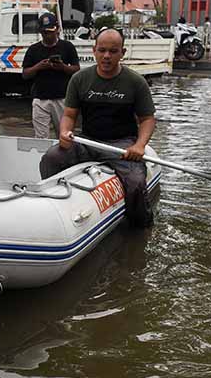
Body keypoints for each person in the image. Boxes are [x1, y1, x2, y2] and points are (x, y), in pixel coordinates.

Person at [39, 28, 156, 227]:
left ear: (122, 53)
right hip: (87, 140)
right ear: (94, 50)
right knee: (51, 158)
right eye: (102, 50)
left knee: (136, 182)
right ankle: (54, 208)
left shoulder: (136, 82)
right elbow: (69, 115)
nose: (107, 56)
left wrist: (139, 145)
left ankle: (140, 226)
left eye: (113, 51)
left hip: (121, 146)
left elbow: (147, 119)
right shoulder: (79, 79)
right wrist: (64, 133)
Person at [21, 12, 80, 139]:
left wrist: (63, 67)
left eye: (50, 31)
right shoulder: (33, 49)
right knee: (41, 137)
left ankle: (64, 158)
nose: (47, 35)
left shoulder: (67, 47)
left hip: (62, 98)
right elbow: (25, 74)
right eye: (44, 32)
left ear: (57, 29)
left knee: (64, 135)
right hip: (40, 99)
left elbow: (76, 69)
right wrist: (39, 67)